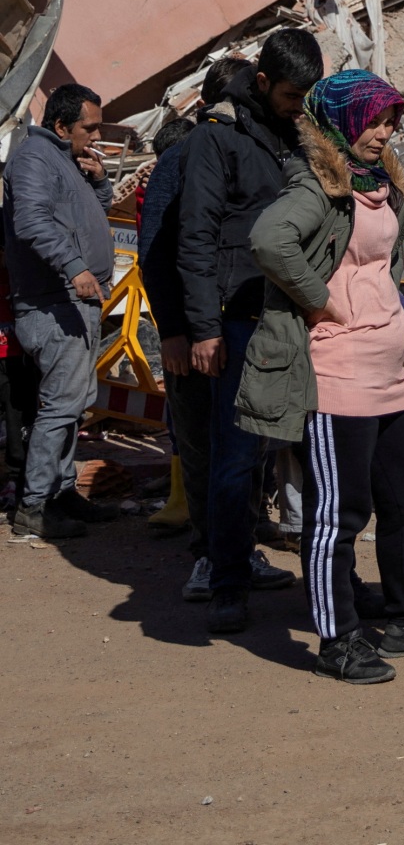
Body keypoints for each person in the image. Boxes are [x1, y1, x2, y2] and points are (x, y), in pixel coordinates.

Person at [241, 69, 404, 682]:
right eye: (373, 120)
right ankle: (336, 637)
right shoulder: (317, 186)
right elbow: (269, 240)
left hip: (392, 374)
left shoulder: (378, 184)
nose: (384, 131)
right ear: (340, 121)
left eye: (391, 120)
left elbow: (382, 266)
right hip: (338, 373)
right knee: (336, 515)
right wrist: (320, 299)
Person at [172, 32, 323, 631]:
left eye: (305, 96)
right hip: (238, 323)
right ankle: (229, 582)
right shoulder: (217, 137)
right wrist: (203, 328)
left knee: (319, 457)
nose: (298, 105)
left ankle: (330, 582)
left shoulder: (305, 134)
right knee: (235, 459)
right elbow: (196, 236)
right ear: (262, 83)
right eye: (290, 95)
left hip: (300, 319)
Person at [140, 58, 294, 603]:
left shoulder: (267, 147)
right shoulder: (186, 156)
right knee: (205, 448)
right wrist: (177, 330)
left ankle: (237, 548)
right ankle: (208, 555)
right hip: (198, 333)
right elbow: (157, 251)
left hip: (241, 325)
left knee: (243, 449)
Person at [4, 83, 119, 541]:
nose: (94, 136)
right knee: (59, 408)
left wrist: (98, 181)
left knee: (73, 406)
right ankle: (34, 507)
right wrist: (74, 269)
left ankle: (61, 491)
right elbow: (31, 221)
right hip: (54, 306)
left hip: (75, 302)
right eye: (89, 128)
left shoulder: (63, 160)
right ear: (60, 125)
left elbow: (91, 214)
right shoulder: (35, 159)